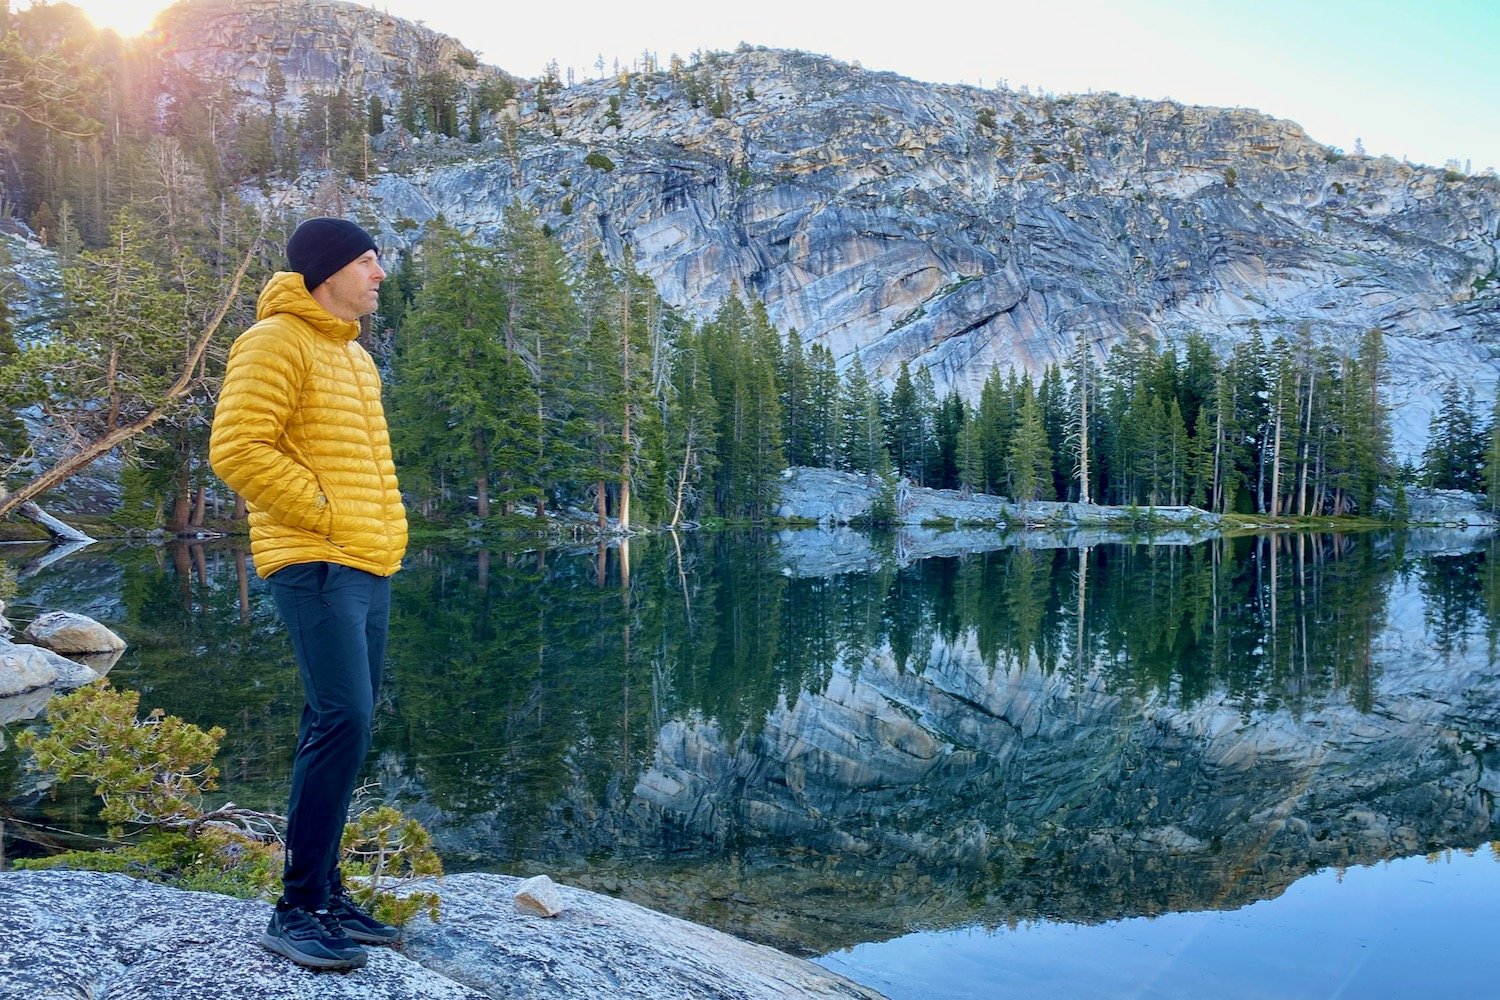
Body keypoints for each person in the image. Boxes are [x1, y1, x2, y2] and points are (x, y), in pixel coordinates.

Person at [209, 217, 409, 971]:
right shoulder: (274, 341)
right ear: (326, 272)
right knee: (343, 718)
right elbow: (237, 448)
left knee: (345, 722)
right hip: (314, 560)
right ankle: (295, 908)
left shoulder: (354, 357)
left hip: (367, 563)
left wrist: (370, 529)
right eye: (366, 260)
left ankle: (326, 892)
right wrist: (326, 511)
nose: (379, 273)